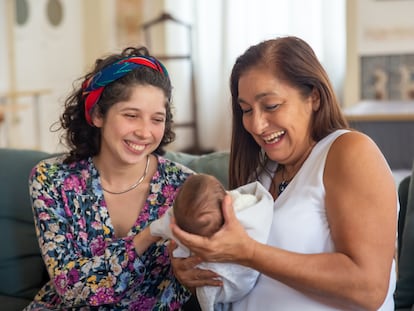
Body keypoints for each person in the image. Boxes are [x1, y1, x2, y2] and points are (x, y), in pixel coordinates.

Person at [168, 36, 398, 310]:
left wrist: (250, 253)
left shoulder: (348, 152)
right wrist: (195, 270)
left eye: (271, 106)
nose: (256, 124)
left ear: (313, 96)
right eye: (246, 110)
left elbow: (368, 288)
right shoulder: (262, 174)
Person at [24, 46, 196, 310]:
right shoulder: (50, 180)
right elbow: (69, 288)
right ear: (97, 115)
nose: (144, 132)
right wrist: (149, 235)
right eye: (131, 115)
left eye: (157, 119)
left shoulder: (186, 187)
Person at [150, 174, 274, 311]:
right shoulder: (245, 205)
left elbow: (163, 225)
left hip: (226, 285)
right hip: (238, 282)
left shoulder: (237, 217)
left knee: (207, 293)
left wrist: (153, 229)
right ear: (227, 201)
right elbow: (258, 210)